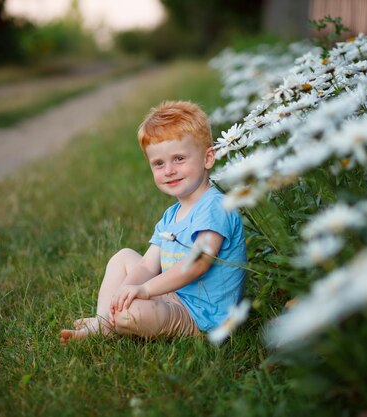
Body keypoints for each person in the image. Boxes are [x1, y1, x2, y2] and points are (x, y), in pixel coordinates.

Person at [60, 100, 246, 343]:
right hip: (174, 298)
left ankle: (111, 322)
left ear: (208, 158)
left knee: (131, 315)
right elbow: (148, 266)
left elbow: (199, 263)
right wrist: (126, 292)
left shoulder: (215, 206)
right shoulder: (171, 214)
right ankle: (105, 319)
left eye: (179, 158)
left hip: (203, 318)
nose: (169, 170)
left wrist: (145, 290)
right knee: (123, 257)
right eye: (159, 163)